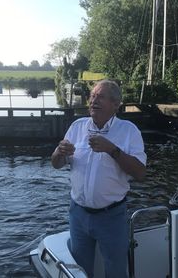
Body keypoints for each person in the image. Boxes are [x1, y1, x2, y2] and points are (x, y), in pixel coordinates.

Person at [51, 79, 146, 277]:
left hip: (111, 217)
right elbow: (56, 163)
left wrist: (112, 150)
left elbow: (139, 172)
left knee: (116, 271)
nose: (94, 100)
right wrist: (60, 152)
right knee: (80, 270)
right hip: (78, 214)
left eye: (100, 97)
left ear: (115, 104)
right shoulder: (77, 126)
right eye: (92, 96)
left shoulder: (129, 131)